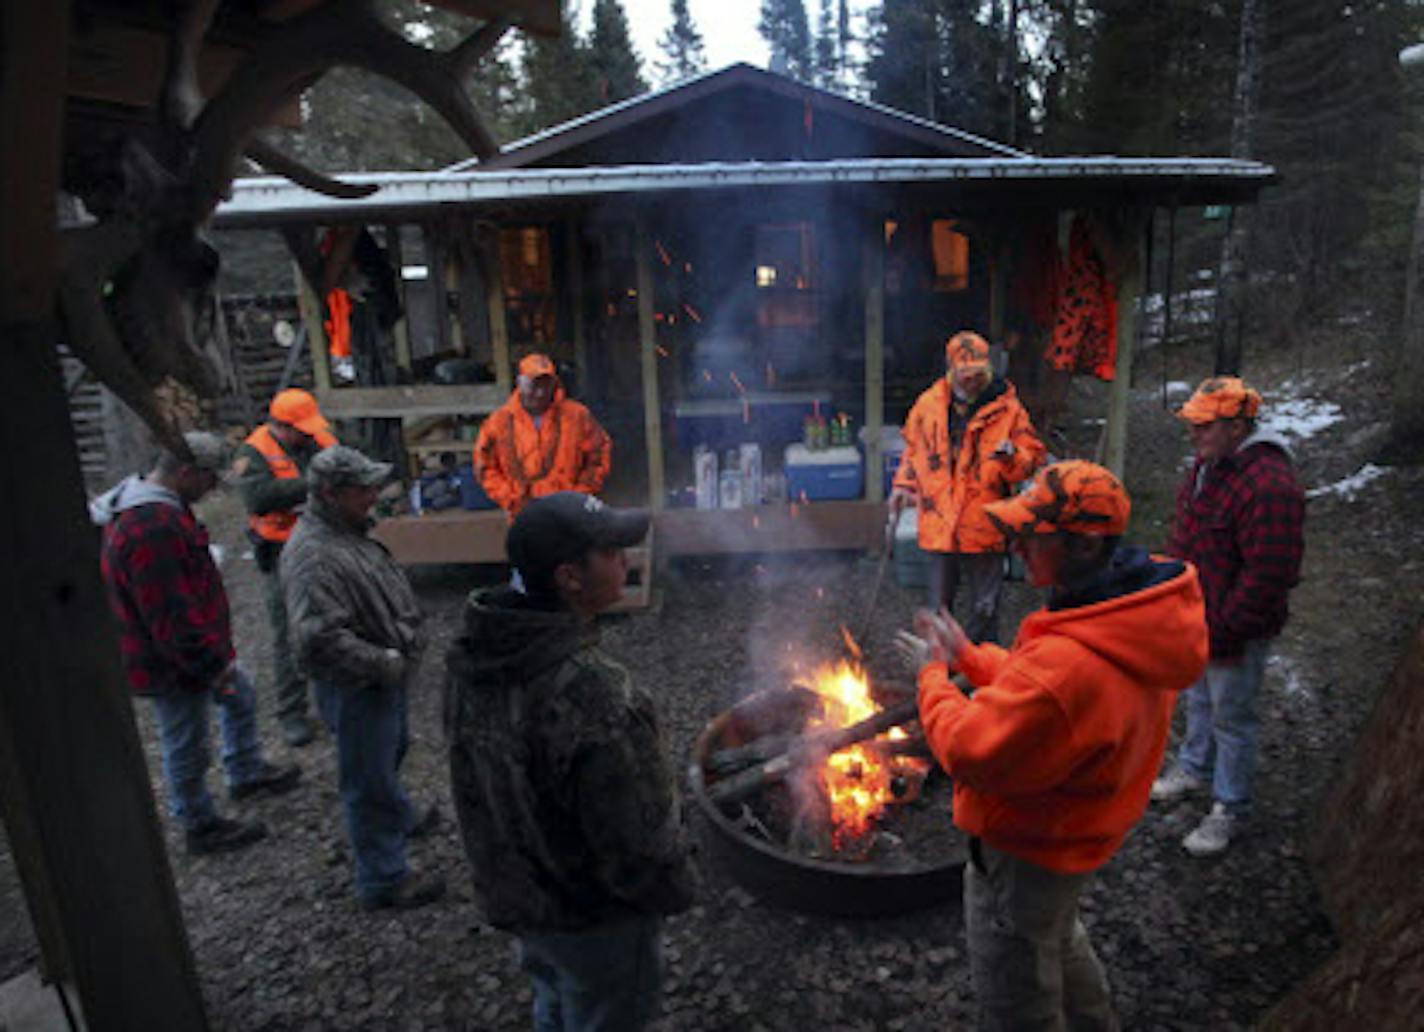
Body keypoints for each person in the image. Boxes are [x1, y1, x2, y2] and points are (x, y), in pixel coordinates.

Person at [899, 460, 1208, 1030]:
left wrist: (934, 676)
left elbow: (970, 747)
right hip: (1078, 836)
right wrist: (971, 655)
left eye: (1029, 535)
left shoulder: (1069, 666)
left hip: (1028, 852)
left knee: (1017, 989)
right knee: (1055, 939)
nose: (1015, 544)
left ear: (1085, 545)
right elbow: (1039, 689)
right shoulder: (1134, 617)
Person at [445, 492, 696, 1031]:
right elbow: (639, 848)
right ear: (570, 577)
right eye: (610, 552)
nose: (626, 561)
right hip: (593, 919)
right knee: (604, 1010)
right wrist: (675, 891)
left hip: (522, 901)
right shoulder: (596, 693)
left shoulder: (471, 657)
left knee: (555, 996)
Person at [94, 432, 302, 856]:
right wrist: (211, 665)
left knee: (240, 696)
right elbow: (168, 614)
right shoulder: (153, 527)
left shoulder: (161, 509)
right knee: (186, 741)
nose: (213, 490)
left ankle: (244, 771)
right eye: (209, 480)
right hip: (171, 662)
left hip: (190, 650)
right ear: (186, 473)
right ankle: (198, 823)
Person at [281, 446, 444, 911]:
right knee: (366, 780)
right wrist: (384, 662)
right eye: (364, 488)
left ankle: (398, 815)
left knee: (388, 754)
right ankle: (383, 877)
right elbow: (318, 640)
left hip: (378, 681)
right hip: (357, 686)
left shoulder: (345, 532)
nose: (375, 493)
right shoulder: (314, 555)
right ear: (331, 494)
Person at [1151, 376, 1306, 857]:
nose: (1194, 434)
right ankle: (1195, 768)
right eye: (1193, 424)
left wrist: (1227, 626)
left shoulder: (1270, 485)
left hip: (1234, 627)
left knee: (1233, 717)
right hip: (1198, 616)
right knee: (1197, 699)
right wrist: (1170, 590)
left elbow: (1271, 573)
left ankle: (1230, 807)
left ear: (1238, 426)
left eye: (1204, 425)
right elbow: (1187, 533)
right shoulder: (1208, 466)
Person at [890, 330, 1046, 643]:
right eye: (965, 375)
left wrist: (1013, 456)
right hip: (940, 519)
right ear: (951, 371)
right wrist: (904, 486)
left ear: (988, 370)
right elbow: (913, 451)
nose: (971, 381)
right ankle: (937, 668)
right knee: (938, 607)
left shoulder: (1009, 410)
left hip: (984, 523)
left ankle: (981, 672)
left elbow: (1032, 459)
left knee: (985, 607)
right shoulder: (928, 405)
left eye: (978, 374)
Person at [233, 388, 338, 747]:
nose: (308, 434)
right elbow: (258, 498)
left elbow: (344, 467)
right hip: (280, 550)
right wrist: (313, 485)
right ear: (281, 425)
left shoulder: (319, 438)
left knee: (332, 622)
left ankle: (333, 706)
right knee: (288, 632)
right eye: (300, 429)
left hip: (324, 541)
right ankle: (291, 712)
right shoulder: (253, 451)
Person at [474, 353, 613, 518]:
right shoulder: (498, 423)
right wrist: (509, 498)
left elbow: (599, 454)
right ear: (520, 383)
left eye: (545, 385)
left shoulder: (577, 416)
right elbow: (484, 466)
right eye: (533, 385)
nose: (540, 393)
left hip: (570, 515)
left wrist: (580, 494)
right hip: (523, 517)